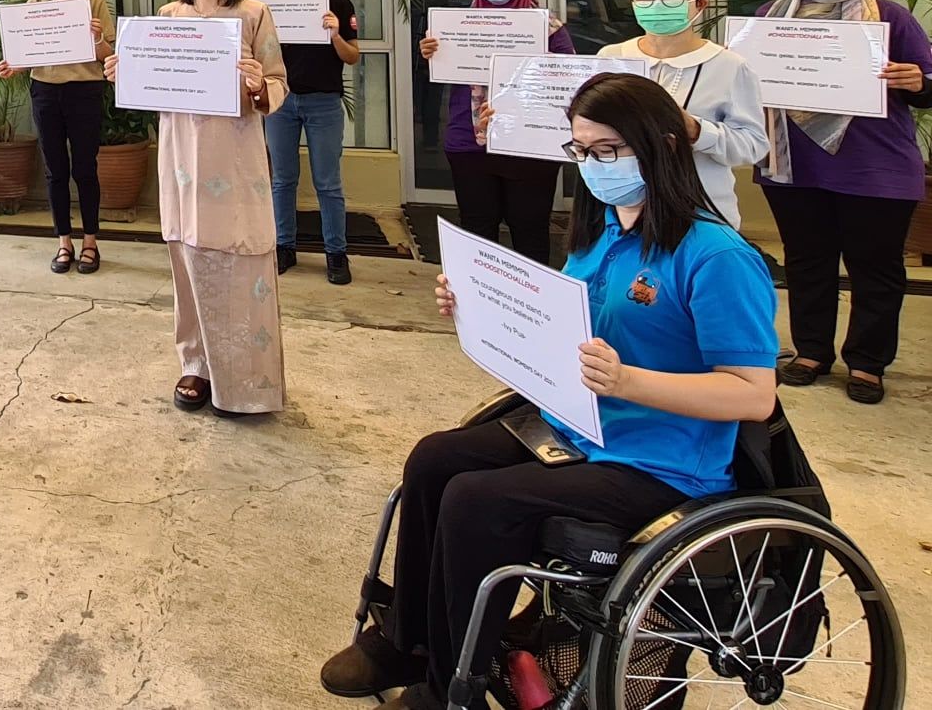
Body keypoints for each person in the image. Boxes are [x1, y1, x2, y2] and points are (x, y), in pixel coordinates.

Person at [320, 72, 779, 710]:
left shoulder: (715, 256)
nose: (594, 166)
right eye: (582, 151)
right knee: (435, 458)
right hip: (579, 427)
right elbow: (555, 323)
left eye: (609, 151)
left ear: (664, 146)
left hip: (661, 462)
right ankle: (410, 638)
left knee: (480, 499)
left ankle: (454, 683)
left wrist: (627, 381)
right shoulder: (603, 236)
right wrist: (479, 308)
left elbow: (753, 394)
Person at [105, 0, 288, 417]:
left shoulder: (253, 15)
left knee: (240, 256)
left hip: (235, 159)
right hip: (181, 159)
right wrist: (129, 72)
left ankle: (247, 379)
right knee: (187, 256)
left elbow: (276, 85)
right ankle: (195, 365)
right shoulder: (168, 16)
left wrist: (255, 85)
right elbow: (152, 87)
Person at [756, 0, 932, 405]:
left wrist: (917, 80)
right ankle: (811, 351)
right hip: (793, 164)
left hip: (873, 167)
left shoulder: (891, 18)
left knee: (874, 267)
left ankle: (867, 363)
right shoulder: (771, 16)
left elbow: (928, 84)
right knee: (808, 261)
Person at [419, 0, 573, 265]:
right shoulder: (459, 26)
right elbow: (448, 71)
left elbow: (566, 79)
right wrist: (434, 51)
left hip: (528, 146)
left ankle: (531, 307)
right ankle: (480, 305)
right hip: (470, 141)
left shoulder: (548, 28)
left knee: (528, 230)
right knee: (477, 228)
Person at [595, 0, 766, 230]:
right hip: (621, 213)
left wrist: (697, 131)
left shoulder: (728, 66)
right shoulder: (610, 58)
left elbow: (753, 147)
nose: (657, 3)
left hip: (700, 213)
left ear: (700, 4)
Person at [0, 0, 114, 274]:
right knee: (55, 171)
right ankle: (64, 241)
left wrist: (96, 39)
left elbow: (109, 55)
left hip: (85, 91)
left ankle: (90, 241)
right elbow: (27, 57)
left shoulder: (93, 1)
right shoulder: (34, 6)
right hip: (45, 92)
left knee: (85, 169)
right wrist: (11, 65)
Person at [265, 0, 361, 285]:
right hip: (282, 101)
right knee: (282, 179)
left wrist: (335, 34)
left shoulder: (340, 2)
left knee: (328, 182)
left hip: (323, 103)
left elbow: (353, 57)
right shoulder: (270, 3)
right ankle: (283, 246)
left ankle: (336, 253)